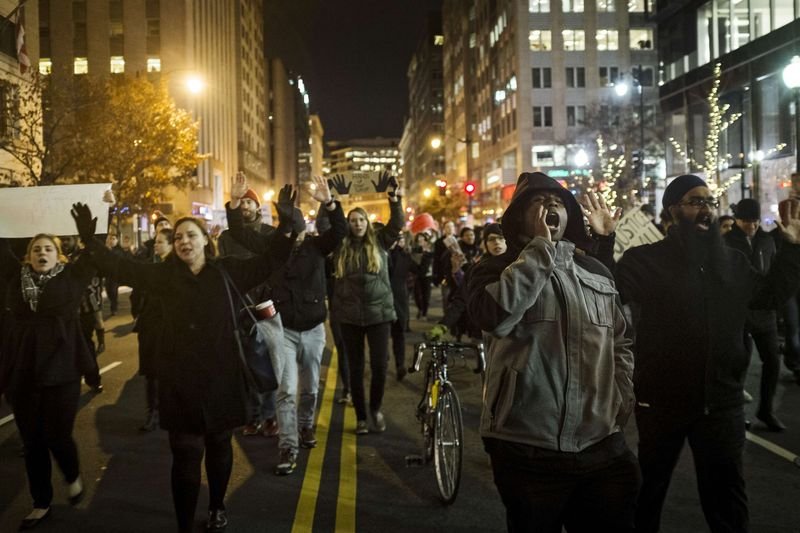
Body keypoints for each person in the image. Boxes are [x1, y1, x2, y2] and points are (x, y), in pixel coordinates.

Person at [70, 192, 295, 533]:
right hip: (180, 383)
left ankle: (218, 505)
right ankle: (184, 524)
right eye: (178, 237)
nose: (183, 241)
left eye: (191, 235)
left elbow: (272, 258)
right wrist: (91, 239)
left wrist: (288, 219)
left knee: (219, 448)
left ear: (206, 239)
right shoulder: (163, 276)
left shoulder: (228, 272)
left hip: (223, 380)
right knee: (186, 457)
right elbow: (119, 266)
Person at [615, 175, 800, 533]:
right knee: (647, 492)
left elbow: (768, 296)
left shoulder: (731, 261)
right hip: (662, 401)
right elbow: (609, 289)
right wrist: (603, 241)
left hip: (722, 402)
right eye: (695, 201)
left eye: (710, 202)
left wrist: (792, 247)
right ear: (672, 211)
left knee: (726, 499)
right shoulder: (645, 260)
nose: (706, 209)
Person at [467, 172, 638, 532]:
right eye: (538, 202)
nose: (550, 207)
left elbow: (619, 342)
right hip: (527, 449)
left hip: (601, 445)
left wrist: (621, 397)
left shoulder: (594, 270)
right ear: (517, 218)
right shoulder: (496, 268)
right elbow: (493, 317)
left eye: (558, 202)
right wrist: (540, 251)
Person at [226, 174, 346, 476]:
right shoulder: (273, 245)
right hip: (284, 330)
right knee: (286, 390)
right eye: (290, 224)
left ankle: (306, 426)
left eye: (298, 223)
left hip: (314, 329)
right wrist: (235, 201)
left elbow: (340, 232)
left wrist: (330, 203)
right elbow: (239, 232)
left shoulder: (318, 246)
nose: (297, 230)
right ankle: (288, 447)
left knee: (310, 390)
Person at [0, 234, 100, 530]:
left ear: (59, 256)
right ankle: (40, 502)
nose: (41, 253)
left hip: (62, 370)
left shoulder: (72, 278)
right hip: (24, 371)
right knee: (32, 442)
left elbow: (95, 253)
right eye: (36, 249)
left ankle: (72, 476)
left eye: (48, 249)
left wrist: (101, 211)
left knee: (57, 435)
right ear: (27, 255)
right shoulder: (14, 277)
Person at [332, 171, 404, 434]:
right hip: (350, 317)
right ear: (349, 224)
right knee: (355, 368)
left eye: (361, 219)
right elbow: (332, 224)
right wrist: (333, 202)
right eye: (353, 220)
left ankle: (375, 409)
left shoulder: (380, 242)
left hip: (378, 316)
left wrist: (394, 200)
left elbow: (397, 224)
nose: (357, 224)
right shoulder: (341, 245)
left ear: (367, 222)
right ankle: (361, 417)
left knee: (379, 366)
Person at [217, 181, 279, 439]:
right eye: (240, 201)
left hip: (264, 305)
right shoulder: (225, 237)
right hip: (237, 307)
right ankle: (252, 416)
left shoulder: (267, 233)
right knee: (243, 367)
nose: (244, 206)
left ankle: (269, 415)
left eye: (248, 201)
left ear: (257, 206)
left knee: (267, 364)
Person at [724, 198, 785, 430]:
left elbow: (773, 272)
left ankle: (766, 410)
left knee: (772, 361)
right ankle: (738, 413)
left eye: (756, 221)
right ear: (737, 220)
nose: (752, 226)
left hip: (765, 314)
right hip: (740, 313)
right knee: (740, 364)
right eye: (747, 221)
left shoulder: (766, 240)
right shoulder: (727, 242)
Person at [130, 227, 173, 432]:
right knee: (151, 374)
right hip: (150, 328)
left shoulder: (179, 270)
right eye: (155, 242)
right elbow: (137, 292)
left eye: (160, 242)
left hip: (172, 328)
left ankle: (170, 411)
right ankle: (152, 413)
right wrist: (137, 311)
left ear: (170, 245)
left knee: (170, 372)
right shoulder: (149, 267)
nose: (156, 245)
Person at [388, 233, 414, 380]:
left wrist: (426, 253)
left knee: (399, 334)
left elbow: (420, 270)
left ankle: (400, 365)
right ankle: (382, 361)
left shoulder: (405, 256)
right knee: (383, 335)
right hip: (383, 301)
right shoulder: (380, 254)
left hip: (399, 300)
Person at [410, 233, 434, 319]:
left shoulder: (430, 249)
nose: (421, 241)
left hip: (427, 275)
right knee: (417, 294)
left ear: (426, 241)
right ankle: (420, 308)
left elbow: (432, 260)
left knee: (426, 295)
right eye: (419, 240)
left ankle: (424, 312)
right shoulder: (414, 250)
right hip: (417, 275)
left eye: (422, 240)